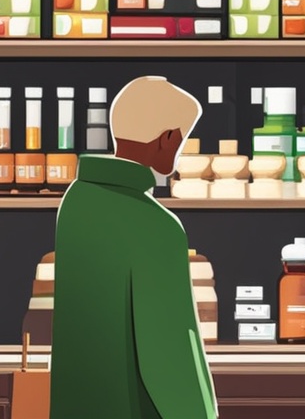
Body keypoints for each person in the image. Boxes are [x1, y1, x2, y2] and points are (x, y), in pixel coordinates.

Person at [50, 76, 218, 419]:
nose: (180, 149)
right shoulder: (156, 225)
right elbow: (169, 355)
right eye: (182, 139)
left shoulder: (77, 201)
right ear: (167, 138)